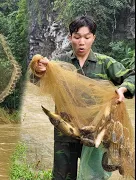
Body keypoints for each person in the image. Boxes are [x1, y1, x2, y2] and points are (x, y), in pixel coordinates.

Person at [32, 16, 135, 179]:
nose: (82, 42)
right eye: (77, 37)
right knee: (62, 176)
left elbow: (132, 76)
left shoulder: (105, 63)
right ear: (70, 37)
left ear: (93, 37)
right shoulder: (59, 64)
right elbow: (37, 81)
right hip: (65, 131)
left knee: (93, 176)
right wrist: (38, 69)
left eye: (87, 37)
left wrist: (122, 89)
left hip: (96, 133)